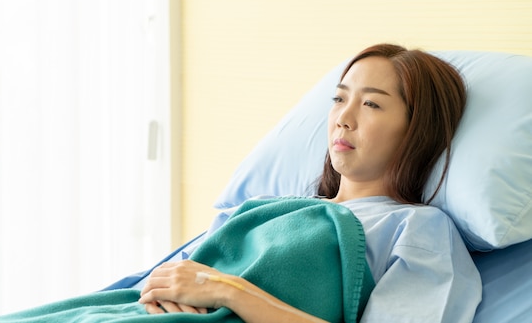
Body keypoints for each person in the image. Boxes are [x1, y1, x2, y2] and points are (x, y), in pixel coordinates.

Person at [138, 44, 482, 322]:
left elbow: (210, 281)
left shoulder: (417, 229)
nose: (343, 119)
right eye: (339, 99)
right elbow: (177, 274)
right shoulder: (266, 207)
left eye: (372, 104)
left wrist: (230, 292)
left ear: (417, 130)